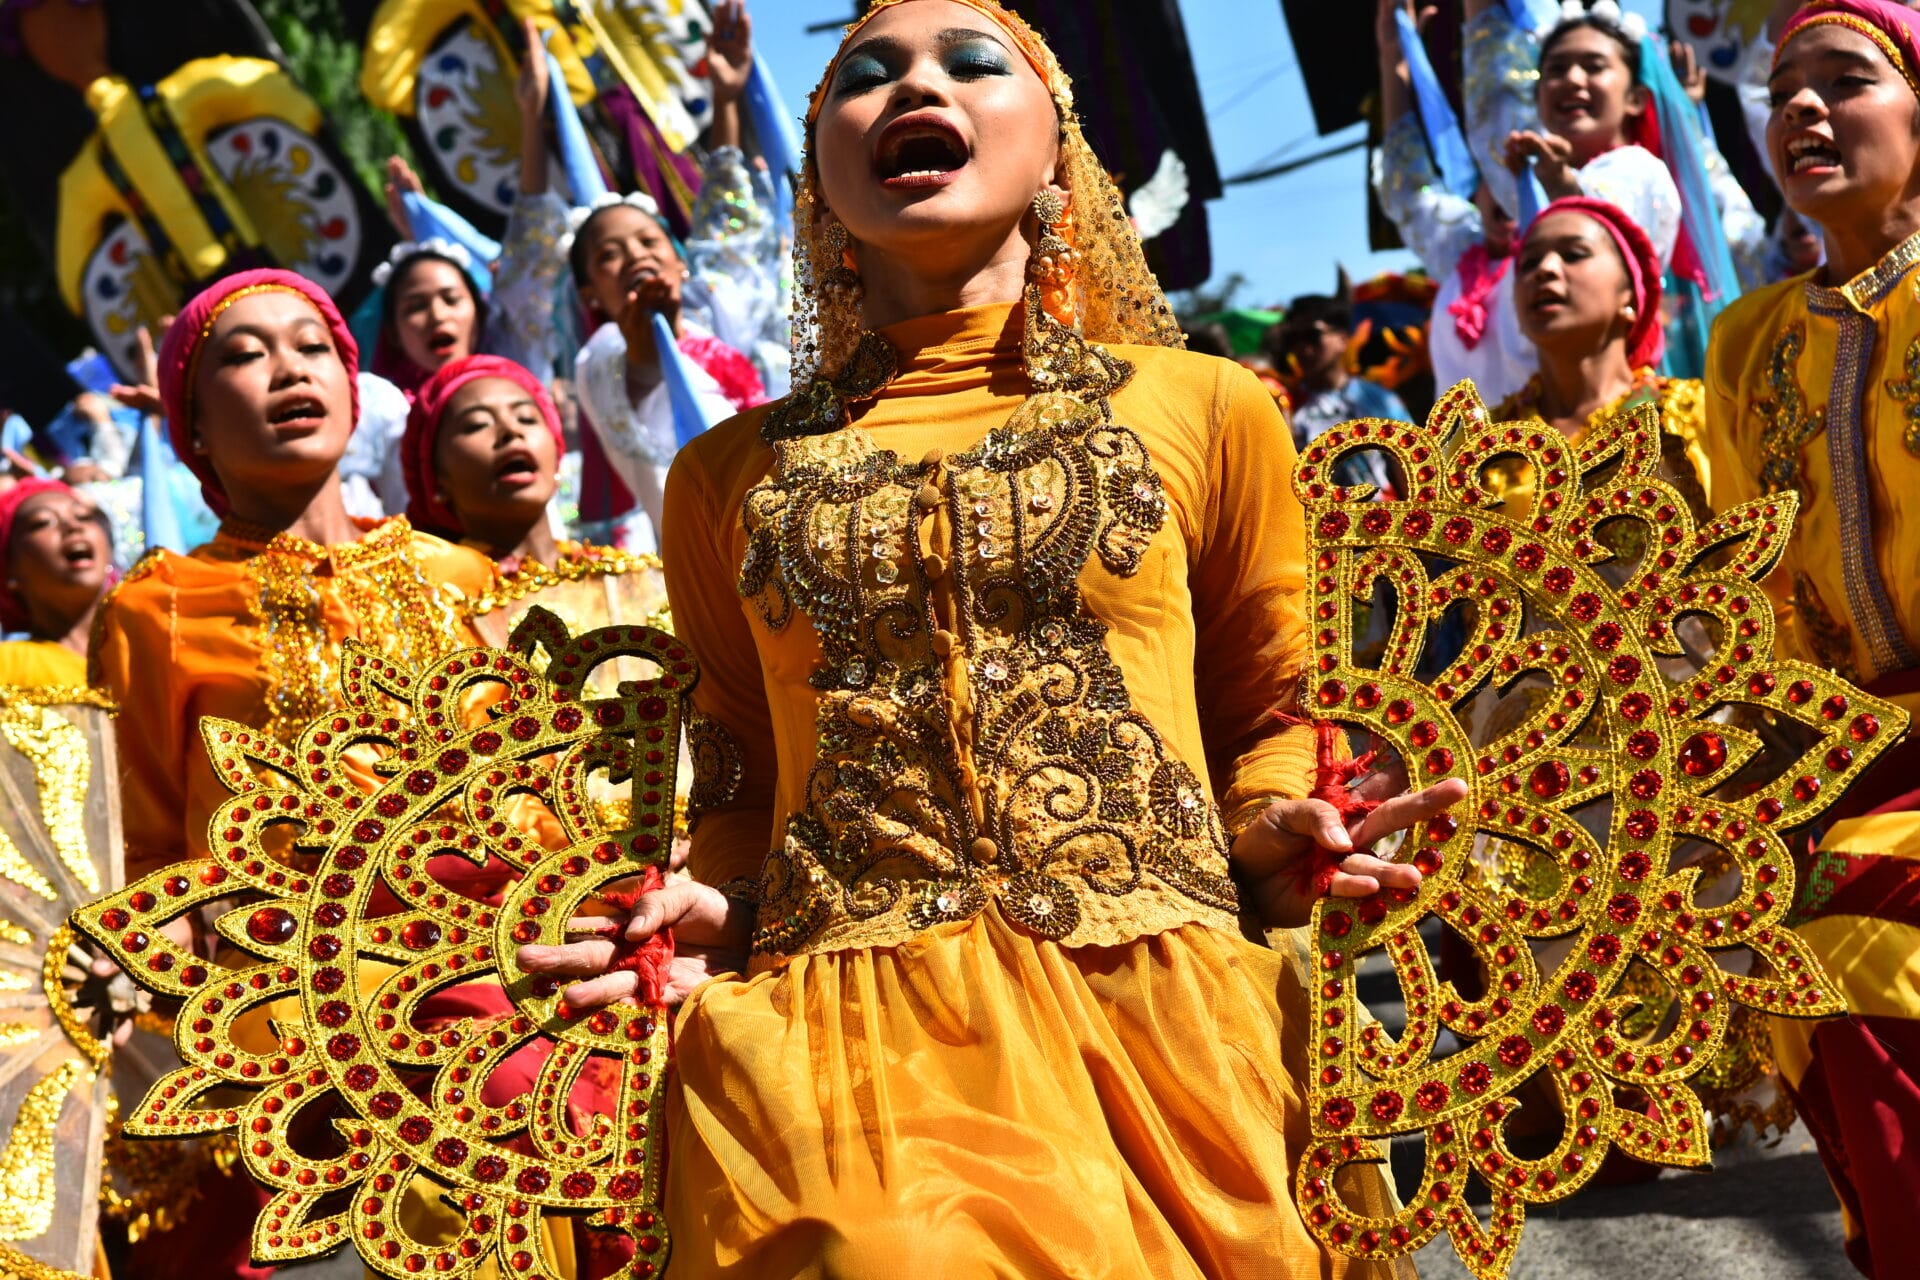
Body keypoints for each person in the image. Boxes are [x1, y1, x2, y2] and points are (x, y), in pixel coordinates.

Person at [519, 2, 1466, 1274]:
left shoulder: (1210, 408)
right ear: (823, 178)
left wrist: (1277, 826)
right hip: (843, 1031)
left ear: (1055, 152)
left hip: (1162, 1006)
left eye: (971, 63)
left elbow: (1265, 715)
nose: (915, 85)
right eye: (863, 76)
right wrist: (717, 904)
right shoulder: (724, 474)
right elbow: (741, 768)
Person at [89, 268, 584, 1277]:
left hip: (489, 984)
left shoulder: (457, 576)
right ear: (190, 422)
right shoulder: (159, 606)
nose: (287, 369)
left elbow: (534, 800)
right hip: (284, 1027)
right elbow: (142, 849)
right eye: (244, 352)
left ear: (354, 392)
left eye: (312, 347)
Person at [1702, 3, 1920, 1273]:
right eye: (1783, 91)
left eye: (1846, 80)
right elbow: (1750, 594)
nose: (1802, 110)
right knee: (1796, 940)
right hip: (1846, 746)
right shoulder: (1750, 341)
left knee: (1852, 930)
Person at [553, 1, 775, 544]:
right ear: (589, 293)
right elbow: (639, 391)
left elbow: (730, 221)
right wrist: (650, 348)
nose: (634, 256)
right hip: (708, 548)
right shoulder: (602, 355)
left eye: (649, 241)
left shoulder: (720, 305)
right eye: (609, 254)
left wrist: (726, 98)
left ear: (680, 259)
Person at [1462, 0, 1762, 372]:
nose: (1572, 79)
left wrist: (1561, 183)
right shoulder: (1529, 178)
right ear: (1537, 100)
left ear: (1635, 98)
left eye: (1594, 66)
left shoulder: (1641, 172)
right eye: (1556, 69)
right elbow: (1492, 110)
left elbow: (1612, 232)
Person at [400, 352, 670, 648]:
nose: (511, 432)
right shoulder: (433, 600)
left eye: (527, 418)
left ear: (556, 454)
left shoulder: (632, 580)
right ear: (435, 477)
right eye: (477, 424)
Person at [1487, 196, 1710, 519]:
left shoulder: (1693, 414)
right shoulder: (1484, 444)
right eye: (1529, 263)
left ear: (1630, 295)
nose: (1545, 270)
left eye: (1574, 254)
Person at [1375, 0, 1533, 405]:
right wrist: (1394, 60)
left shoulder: (1563, 243)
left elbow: (1498, 104)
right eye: (1496, 174)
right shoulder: (1459, 248)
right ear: (1476, 189)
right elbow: (1406, 185)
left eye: (1520, 169)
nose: (1507, 187)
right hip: (1475, 463)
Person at [1268, 294, 1406, 493]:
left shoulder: (1381, 400)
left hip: (1385, 517)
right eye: (1293, 339)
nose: (1302, 347)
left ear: (1342, 339)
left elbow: (1408, 470)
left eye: (1312, 335)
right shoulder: (1285, 404)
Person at [0, 478, 112, 688]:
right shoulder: (8, 667)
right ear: (10, 571)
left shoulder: (156, 646)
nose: (73, 526)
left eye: (84, 516)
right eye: (42, 522)